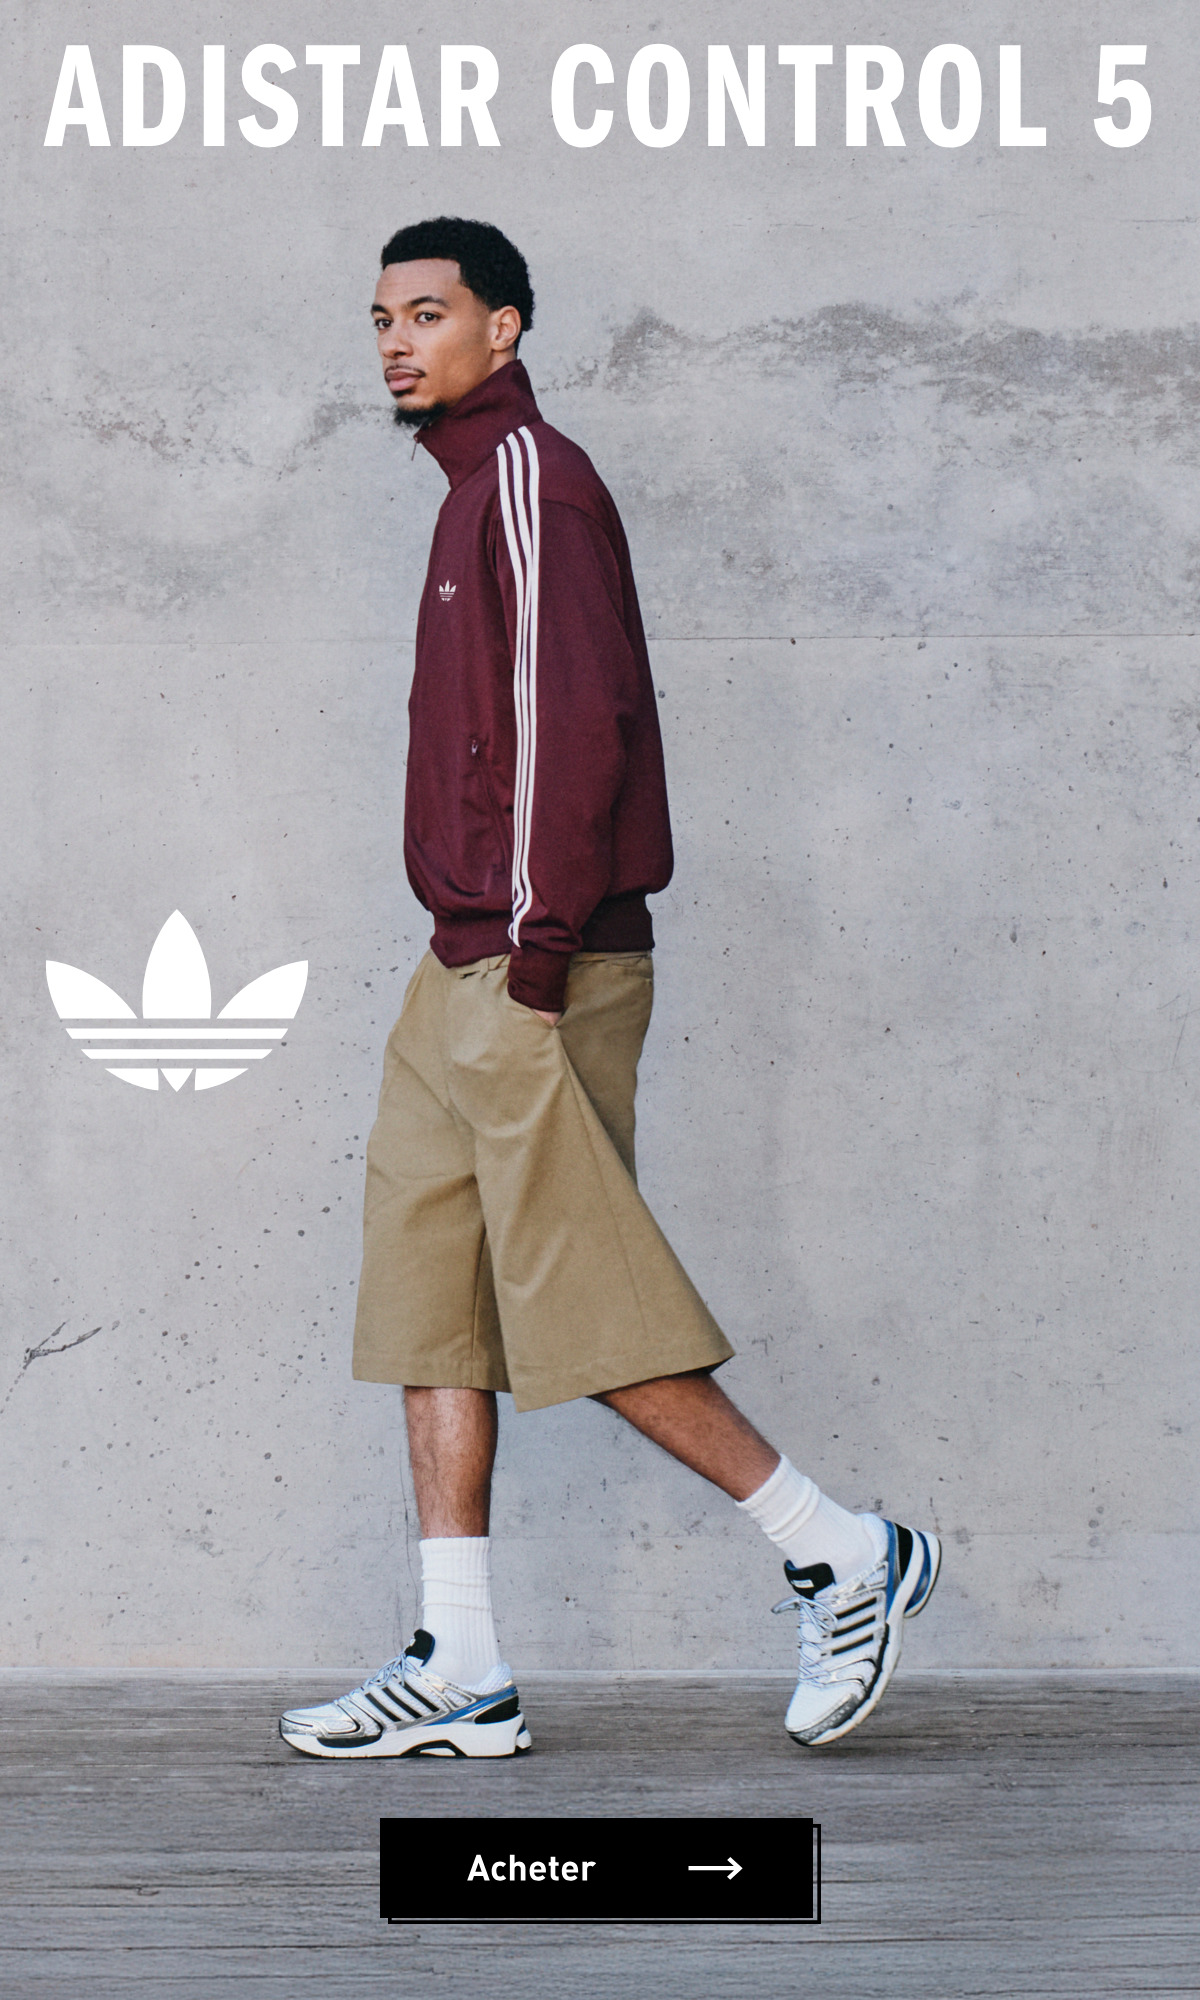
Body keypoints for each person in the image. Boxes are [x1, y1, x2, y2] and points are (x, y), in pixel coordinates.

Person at [279, 217, 939, 1763]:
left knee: (583, 1298)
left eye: (427, 313)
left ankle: (839, 1549)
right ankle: (461, 1663)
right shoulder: (471, 494)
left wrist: (532, 954)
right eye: (380, 318)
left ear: (504, 328)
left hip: (535, 963)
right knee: (430, 1304)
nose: (396, 341)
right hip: (460, 959)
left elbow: (568, 737)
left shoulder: (533, 483)